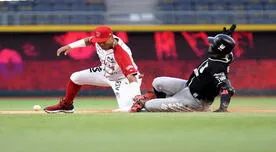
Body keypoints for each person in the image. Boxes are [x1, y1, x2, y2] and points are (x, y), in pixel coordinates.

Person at [130, 25, 236, 113]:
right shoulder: (225, 55)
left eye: (213, 44)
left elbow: (227, 88)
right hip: (188, 86)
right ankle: (168, 101)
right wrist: (226, 39)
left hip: (195, 101)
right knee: (157, 82)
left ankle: (169, 103)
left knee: (148, 105)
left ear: (218, 49)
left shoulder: (218, 67)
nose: (210, 45)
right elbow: (227, 50)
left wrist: (223, 108)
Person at [44, 26, 142, 113]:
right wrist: (70, 46)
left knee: (128, 108)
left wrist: (137, 96)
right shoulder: (98, 41)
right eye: (98, 41)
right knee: (76, 77)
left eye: (103, 41)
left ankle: (148, 100)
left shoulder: (121, 52)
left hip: (123, 79)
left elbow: (131, 76)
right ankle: (67, 105)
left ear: (111, 37)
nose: (101, 44)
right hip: (106, 71)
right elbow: (89, 40)